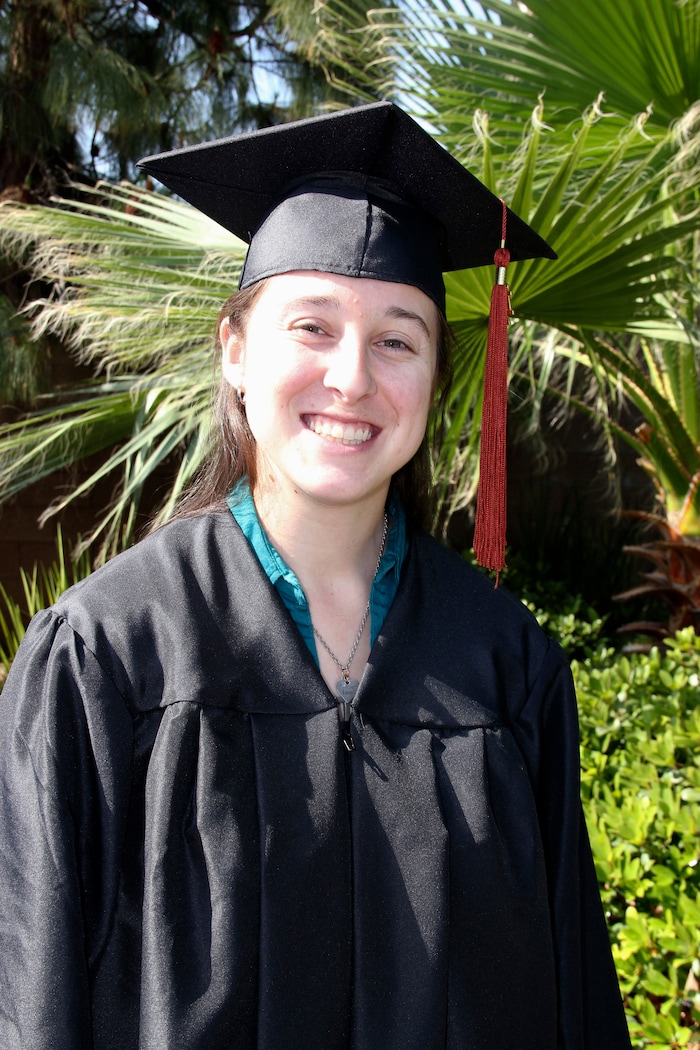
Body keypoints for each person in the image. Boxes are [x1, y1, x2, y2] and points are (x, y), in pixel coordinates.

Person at [0, 102, 631, 1049]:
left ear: (433, 377)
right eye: (312, 326)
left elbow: (573, 1002)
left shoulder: (509, 670)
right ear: (236, 353)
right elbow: (33, 999)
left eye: (398, 340)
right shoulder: (106, 655)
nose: (351, 378)